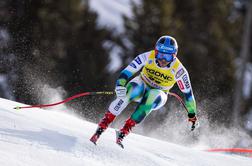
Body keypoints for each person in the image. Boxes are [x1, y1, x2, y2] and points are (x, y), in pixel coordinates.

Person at [90, 35, 197, 148]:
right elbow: (127, 72)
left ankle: (124, 132)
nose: (163, 60)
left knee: (152, 96)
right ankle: (102, 127)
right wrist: (120, 85)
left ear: (174, 56)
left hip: (160, 93)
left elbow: (188, 95)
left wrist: (192, 115)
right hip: (142, 84)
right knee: (130, 90)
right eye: (160, 55)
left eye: (167, 57)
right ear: (155, 51)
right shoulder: (147, 56)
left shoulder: (179, 70)